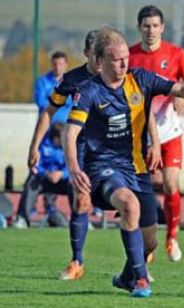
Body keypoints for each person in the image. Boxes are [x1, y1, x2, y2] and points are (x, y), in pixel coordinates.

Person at [63, 27, 184, 298]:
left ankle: (126, 277)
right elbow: (70, 132)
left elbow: (177, 87)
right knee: (129, 205)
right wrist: (74, 167)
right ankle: (142, 280)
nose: (123, 63)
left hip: (138, 169)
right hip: (103, 169)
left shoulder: (140, 79)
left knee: (150, 241)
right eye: (116, 59)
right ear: (100, 61)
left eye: (125, 58)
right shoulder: (88, 92)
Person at [26, 30, 100, 280]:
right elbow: (47, 111)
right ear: (87, 53)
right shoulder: (72, 79)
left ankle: (139, 259)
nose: (103, 59)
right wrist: (34, 145)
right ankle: (77, 260)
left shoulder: (121, 77)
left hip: (115, 151)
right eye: (97, 53)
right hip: (80, 147)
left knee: (132, 207)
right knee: (81, 198)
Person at [128, 5, 184, 262]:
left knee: (170, 183)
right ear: (139, 28)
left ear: (163, 27)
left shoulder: (176, 54)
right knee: (139, 190)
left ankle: (172, 237)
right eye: (146, 26)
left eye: (156, 26)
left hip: (169, 132)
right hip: (140, 133)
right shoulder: (130, 56)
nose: (151, 31)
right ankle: (146, 242)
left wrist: (182, 97)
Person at [13, 122, 73, 228]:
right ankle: (23, 219)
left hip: (62, 181)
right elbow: (35, 166)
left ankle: (80, 219)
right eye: (64, 137)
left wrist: (62, 174)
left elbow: (75, 166)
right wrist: (46, 173)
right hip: (44, 180)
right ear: (56, 138)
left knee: (76, 183)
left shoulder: (70, 146)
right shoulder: (41, 145)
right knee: (31, 181)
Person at [33, 51, 70, 217]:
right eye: (55, 64)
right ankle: (32, 208)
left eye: (61, 64)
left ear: (66, 65)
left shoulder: (71, 82)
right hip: (48, 130)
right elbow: (43, 104)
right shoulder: (42, 82)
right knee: (41, 159)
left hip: (67, 130)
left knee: (70, 160)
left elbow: (74, 103)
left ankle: (87, 208)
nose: (58, 67)